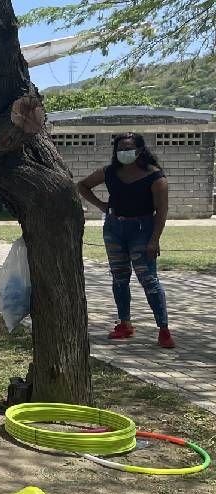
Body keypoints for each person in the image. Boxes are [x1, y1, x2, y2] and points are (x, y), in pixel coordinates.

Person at [77, 133, 175, 348]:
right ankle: (125, 323)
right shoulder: (110, 172)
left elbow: (162, 211)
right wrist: (102, 206)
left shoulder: (155, 177)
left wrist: (154, 239)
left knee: (148, 278)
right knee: (119, 277)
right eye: (120, 148)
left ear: (140, 150)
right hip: (114, 229)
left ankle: (164, 328)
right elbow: (82, 185)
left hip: (142, 229)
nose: (124, 152)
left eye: (128, 148)